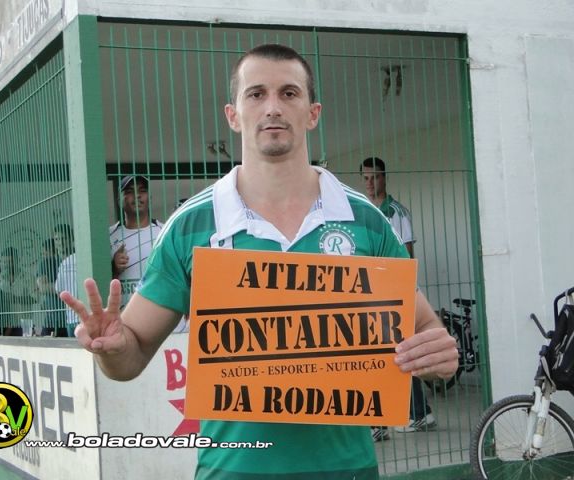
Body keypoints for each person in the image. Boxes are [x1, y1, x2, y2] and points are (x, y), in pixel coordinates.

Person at [60, 44, 458, 479]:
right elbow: (130, 357)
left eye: (289, 93)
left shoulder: (365, 220)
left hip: (348, 470)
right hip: (232, 471)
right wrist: (114, 348)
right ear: (233, 115)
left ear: (313, 113)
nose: (272, 107)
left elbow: (426, 328)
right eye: (256, 94)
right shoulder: (191, 225)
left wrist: (439, 355)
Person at [361, 156, 436, 440]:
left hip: (394, 294)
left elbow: (406, 257)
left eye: (375, 177)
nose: (370, 183)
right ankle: (405, 415)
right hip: (371, 293)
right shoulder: (364, 210)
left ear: (385, 178)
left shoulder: (397, 213)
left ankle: (414, 414)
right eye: (366, 178)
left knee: (399, 352)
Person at [110, 175, 162, 308]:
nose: (137, 195)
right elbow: (97, 279)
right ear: (119, 200)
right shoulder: (108, 236)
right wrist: (113, 268)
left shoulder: (164, 232)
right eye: (129, 191)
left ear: (150, 198)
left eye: (142, 191)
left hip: (158, 312)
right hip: (122, 315)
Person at [0, 246, 36, 335]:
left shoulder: (28, 277)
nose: (6, 265)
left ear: (17, 261)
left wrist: (15, 299)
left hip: (23, 324)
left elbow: (35, 298)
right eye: (4, 262)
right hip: (5, 324)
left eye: (9, 262)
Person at [36, 238, 64, 336]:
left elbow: (43, 288)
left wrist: (51, 287)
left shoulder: (47, 263)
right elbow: (42, 288)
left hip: (59, 316)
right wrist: (63, 288)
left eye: (44, 253)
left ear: (52, 251)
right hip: (52, 315)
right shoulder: (44, 264)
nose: (43, 256)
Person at [53, 224, 77, 337]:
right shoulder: (53, 261)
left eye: (64, 238)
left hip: (77, 317)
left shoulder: (77, 258)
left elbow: (58, 291)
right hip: (65, 317)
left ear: (71, 239)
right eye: (57, 239)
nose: (61, 242)